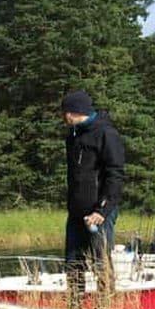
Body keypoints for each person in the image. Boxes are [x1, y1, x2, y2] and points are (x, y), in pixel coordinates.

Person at [61, 90, 125, 284]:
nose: (62, 118)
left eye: (63, 113)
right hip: (76, 212)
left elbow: (115, 174)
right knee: (73, 265)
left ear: (71, 113)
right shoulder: (72, 136)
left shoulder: (106, 133)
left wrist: (102, 210)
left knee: (101, 265)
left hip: (99, 213)